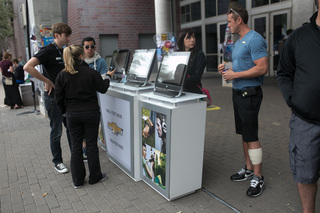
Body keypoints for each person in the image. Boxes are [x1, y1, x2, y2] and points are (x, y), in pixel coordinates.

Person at [218, 7, 269, 197]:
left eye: (229, 21)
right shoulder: (239, 42)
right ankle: (248, 169)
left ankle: (258, 176)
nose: (227, 25)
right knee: (243, 133)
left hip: (250, 94)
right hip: (238, 93)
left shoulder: (255, 39)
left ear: (239, 20)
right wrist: (227, 68)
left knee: (251, 135)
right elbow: (242, 66)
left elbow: (262, 68)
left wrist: (235, 74)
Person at [277, 0, 320, 212]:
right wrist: (293, 99)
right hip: (305, 123)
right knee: (305, 174)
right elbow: (284, 72)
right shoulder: (299, 37)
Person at [54, 44, 115, 188]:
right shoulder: (90, 72)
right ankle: (95, 176)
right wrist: (107, 76)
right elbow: (103, 88)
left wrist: (64, 111)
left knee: (75, 147)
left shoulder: (62, 75)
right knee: (92, 145)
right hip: (91, 113)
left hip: (72, 114)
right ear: (81, 56)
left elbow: (58, 98)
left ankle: (77, 181)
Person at [23, 23, 72, 174]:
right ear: (57, 35)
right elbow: (28, 67)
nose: (68, 38)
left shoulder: (64, 50)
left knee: (70, 128)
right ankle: (57, 161)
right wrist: (46, 81)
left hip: (66, 97)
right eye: (66, 36)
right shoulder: (47, 50)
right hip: (53, 98)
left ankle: (76, 155)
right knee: (56, 131)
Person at [81, 37, 108, 161]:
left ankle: (92, 147)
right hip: (82, 99)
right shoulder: (79, 61)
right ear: (83, 48)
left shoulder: (101, 61)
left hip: (95, 98)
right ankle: (85, 148)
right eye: (87, 47)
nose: (90, 49)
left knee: (93, 126)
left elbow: (102, 79)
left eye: (92, 46)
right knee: (83, 127)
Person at [177, 28, 207, 94]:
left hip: (193, 91)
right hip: (178, 90)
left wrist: (180, 83)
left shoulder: (199, 54)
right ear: (182, 40)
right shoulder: (178, 54)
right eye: (189, 38)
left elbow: (196, 76)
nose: (192, 40)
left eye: (193, 37)